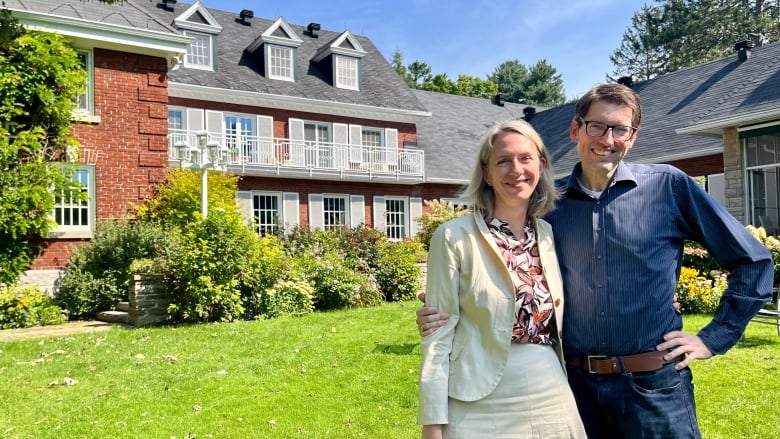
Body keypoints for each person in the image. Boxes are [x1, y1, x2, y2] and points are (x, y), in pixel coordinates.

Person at [417, 83, 774, 438]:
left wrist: (713, 338)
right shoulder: (549, 208)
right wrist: (450, 306)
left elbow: (753, 261)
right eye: (597, 126)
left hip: (653, 388)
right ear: (576, 129)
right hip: (575, 390)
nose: (608, 138)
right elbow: (508, 265)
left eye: (620, 129)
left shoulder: (669, 187)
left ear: (632, 137)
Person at [418, 119, 586, 439]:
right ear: (486, 173)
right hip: (477, 397)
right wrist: (433, 424)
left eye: (526, 158)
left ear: (542, 165)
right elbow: (437, 339)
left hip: (548, 388)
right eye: (503, 161)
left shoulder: (549, 235)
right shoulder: (452, 237)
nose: (516, 169)